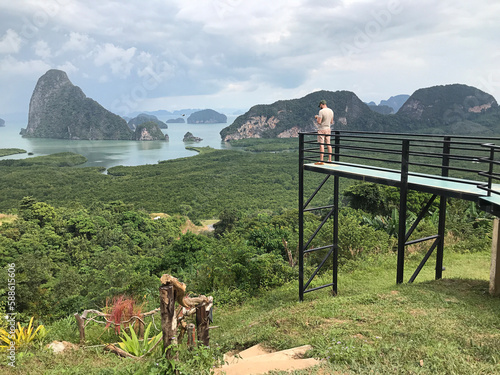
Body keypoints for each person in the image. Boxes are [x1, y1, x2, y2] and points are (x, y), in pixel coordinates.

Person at [314, 99, 334, 164]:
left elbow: (319, 122)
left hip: (322, 129)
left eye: (320, 105)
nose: (320, 107)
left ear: (321, 104)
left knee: (321, 144)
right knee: (328, 144)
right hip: (328, 129)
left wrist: (317, 117)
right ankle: (329, 159)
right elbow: (331, 121)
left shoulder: (321, 111)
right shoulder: (331, 111)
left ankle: (321, 160)